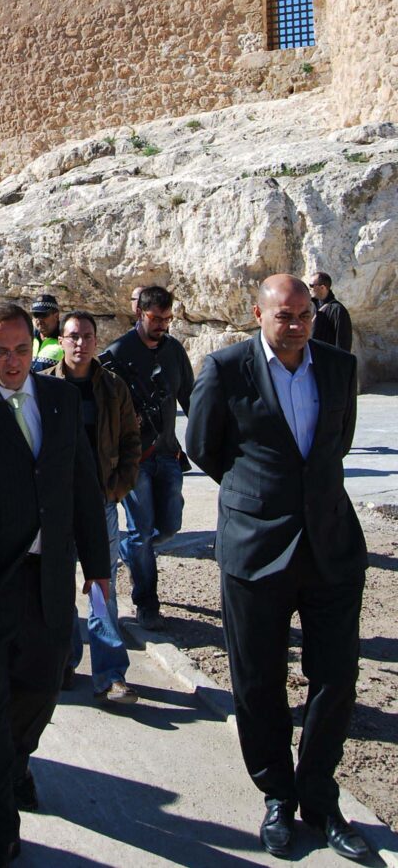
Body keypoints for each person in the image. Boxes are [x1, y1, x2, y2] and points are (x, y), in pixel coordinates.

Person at [186, 276, 370, 863]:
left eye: (303, 315)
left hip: (331, 548)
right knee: (259, 681)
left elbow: (335, 445)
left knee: (336, 675)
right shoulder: (224, 368)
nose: (294, 325)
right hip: (255, 550)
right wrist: (256, 496)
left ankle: (318, 796)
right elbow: (203, 447)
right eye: (283, 316)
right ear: (257, 315)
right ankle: (276, 793)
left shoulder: (339, 367)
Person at [0, 300, 110, 867]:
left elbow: (83, 485)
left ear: (35, 347)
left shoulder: (59, 399)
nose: (11, 362)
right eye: (0, 351)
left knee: (41, 688)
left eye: (21, 350)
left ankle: (14, 762)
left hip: (49, 580)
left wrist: (99, 567)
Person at [54, 311, 141, 702]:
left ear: (96, 340)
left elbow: (130, 440)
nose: (80, 344)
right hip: (56, 505)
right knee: (56, 586)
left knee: (102, 589)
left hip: (100, 502)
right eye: (73, 336)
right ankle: (64, 661)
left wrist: (119, 487)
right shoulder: (43, 386)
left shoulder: (112, 387)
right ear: (61, 339)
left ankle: (109, 674)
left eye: (87, 336)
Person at [102, 284, 193, 629]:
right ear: (140, 313)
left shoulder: (174, 351)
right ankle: (147, 601)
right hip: (134, 460)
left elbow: (191, 397)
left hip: (168, 453)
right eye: (156, 319)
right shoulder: (117, 353)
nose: (163, 326)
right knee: (141, 530)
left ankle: (135, 553)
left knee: (169, 526)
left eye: (168, 319)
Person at [310, 272, 354, 353]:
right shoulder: (310, 306)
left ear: (322, 287)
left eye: (312, 285)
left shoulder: (338, 310)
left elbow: (343, 344)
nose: (310, 288)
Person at [29, 293, 63, 373]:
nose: (39, 319)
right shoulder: (28, 340)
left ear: (56, 316)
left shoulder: (65, 341)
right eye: (36, 315)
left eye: (43, 315)